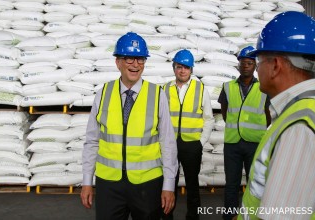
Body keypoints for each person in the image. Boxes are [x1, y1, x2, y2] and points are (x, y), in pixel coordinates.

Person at [80, 32, 178, 220]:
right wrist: (86, 182)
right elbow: (92, 141)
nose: (135, 64)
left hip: (147, 184)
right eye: (129, 58)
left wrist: (169, 185)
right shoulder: (103, 94)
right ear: (118, 62)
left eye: (140, 59)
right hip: (109, 184)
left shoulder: (157, 95)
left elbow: (168, 143)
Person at [238, 11, 315, 220]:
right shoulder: (301, 112)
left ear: (275, 66)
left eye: (259, 61)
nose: (256, 70)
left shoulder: (299, 127)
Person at [218, 46, 271, 220]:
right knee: (231, 185)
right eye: (243, 63)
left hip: (254, 143)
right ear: (238, 65)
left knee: (254, 184)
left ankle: (251, 216)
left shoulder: (264, 88)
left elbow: (269, 115)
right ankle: (229, 216)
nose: (246, 66)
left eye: (249, 63)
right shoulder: (227, 87)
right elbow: (225, 112)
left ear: (255, 66)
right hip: (232, 143)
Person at [162, 49, 214, 220]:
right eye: (179, 67)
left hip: (192, 145)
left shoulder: (200, 89)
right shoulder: (165, 88)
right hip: (170, 145)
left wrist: (201, 142)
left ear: (191, 70)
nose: (182, 70)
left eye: (186, 67)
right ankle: (167, 216)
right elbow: (159, 117)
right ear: (174, 68)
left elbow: (209, 118)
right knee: (169, 183)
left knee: (192, 185)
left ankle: (193, 217)